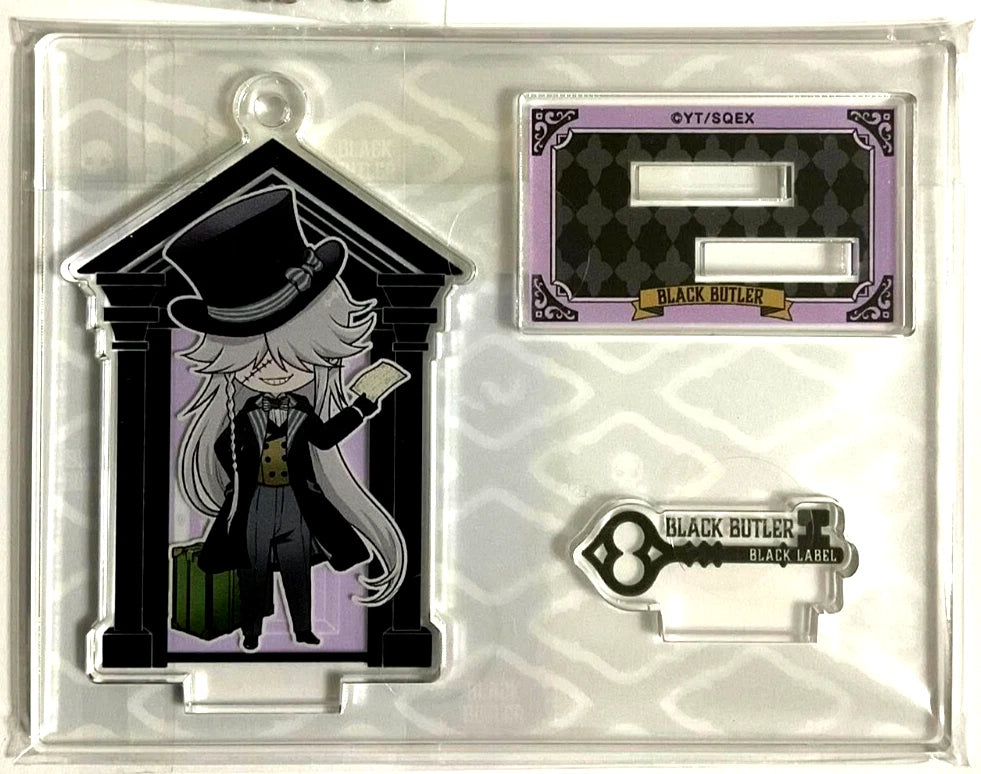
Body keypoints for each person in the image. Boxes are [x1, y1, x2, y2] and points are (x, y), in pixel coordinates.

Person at [167, 186, 405, 651]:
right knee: (253, 569)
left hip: (297, 503)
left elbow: (325, 438)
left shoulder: (303, 412)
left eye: (295, 357)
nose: (274, 371)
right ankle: (252, 631)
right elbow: (220, 447)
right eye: (255, 361)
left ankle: (304, 628)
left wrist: (362, 403)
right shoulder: (242, 416)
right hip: (254, 503)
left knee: (297, 570)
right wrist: (236, 482)